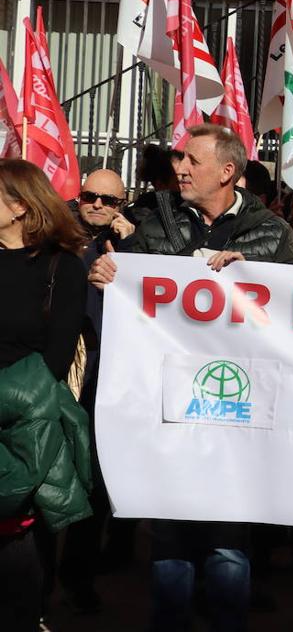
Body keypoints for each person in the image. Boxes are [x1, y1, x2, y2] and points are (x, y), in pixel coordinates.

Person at [87, 124, 293, 632]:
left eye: (192, 161)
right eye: (180, 158)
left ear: (228, 172)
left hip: (239, 412)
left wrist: (261, 280)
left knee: (229, 542)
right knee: (171, 537)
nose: (179, 167)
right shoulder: (154, 222)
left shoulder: (272, 233)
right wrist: (107, 278)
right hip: (169, 408)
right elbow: (127, 282)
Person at [0, 159, 91, 632]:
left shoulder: (62, 267)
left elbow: (56, 358)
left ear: (19, 205)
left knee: (19, 554)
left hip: (27, 424)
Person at [59, 168, 136, 613]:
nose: (99, 205)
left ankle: (78, 581)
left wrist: (132, 247)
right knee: (54, 482)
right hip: (64, 374)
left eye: (110, 200)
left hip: (110, 379)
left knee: (93, 487)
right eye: (91, 195)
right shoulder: (55, 235)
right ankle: (41, 587)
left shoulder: (127, 242)